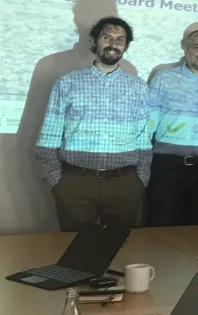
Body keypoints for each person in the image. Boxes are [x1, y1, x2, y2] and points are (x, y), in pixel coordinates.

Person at [36, 16, 151, 230]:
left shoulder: (139, 87)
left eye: (120, 39)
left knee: (120, 245)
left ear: (126, 46)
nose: (113, 44)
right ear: (94, 41)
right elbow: (48, 137)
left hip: (124, 184)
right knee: (75, 245)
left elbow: (143, 139)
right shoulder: (67, 82)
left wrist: (140, 180)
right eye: (107, 37)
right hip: (76, 183)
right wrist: (57, 182)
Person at [147, 25, 198, 226]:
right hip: (167, 166)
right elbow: (148, 125)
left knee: (197, 231)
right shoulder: (163, 77)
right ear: (184, 47)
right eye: (196, 47)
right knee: (160, 230)